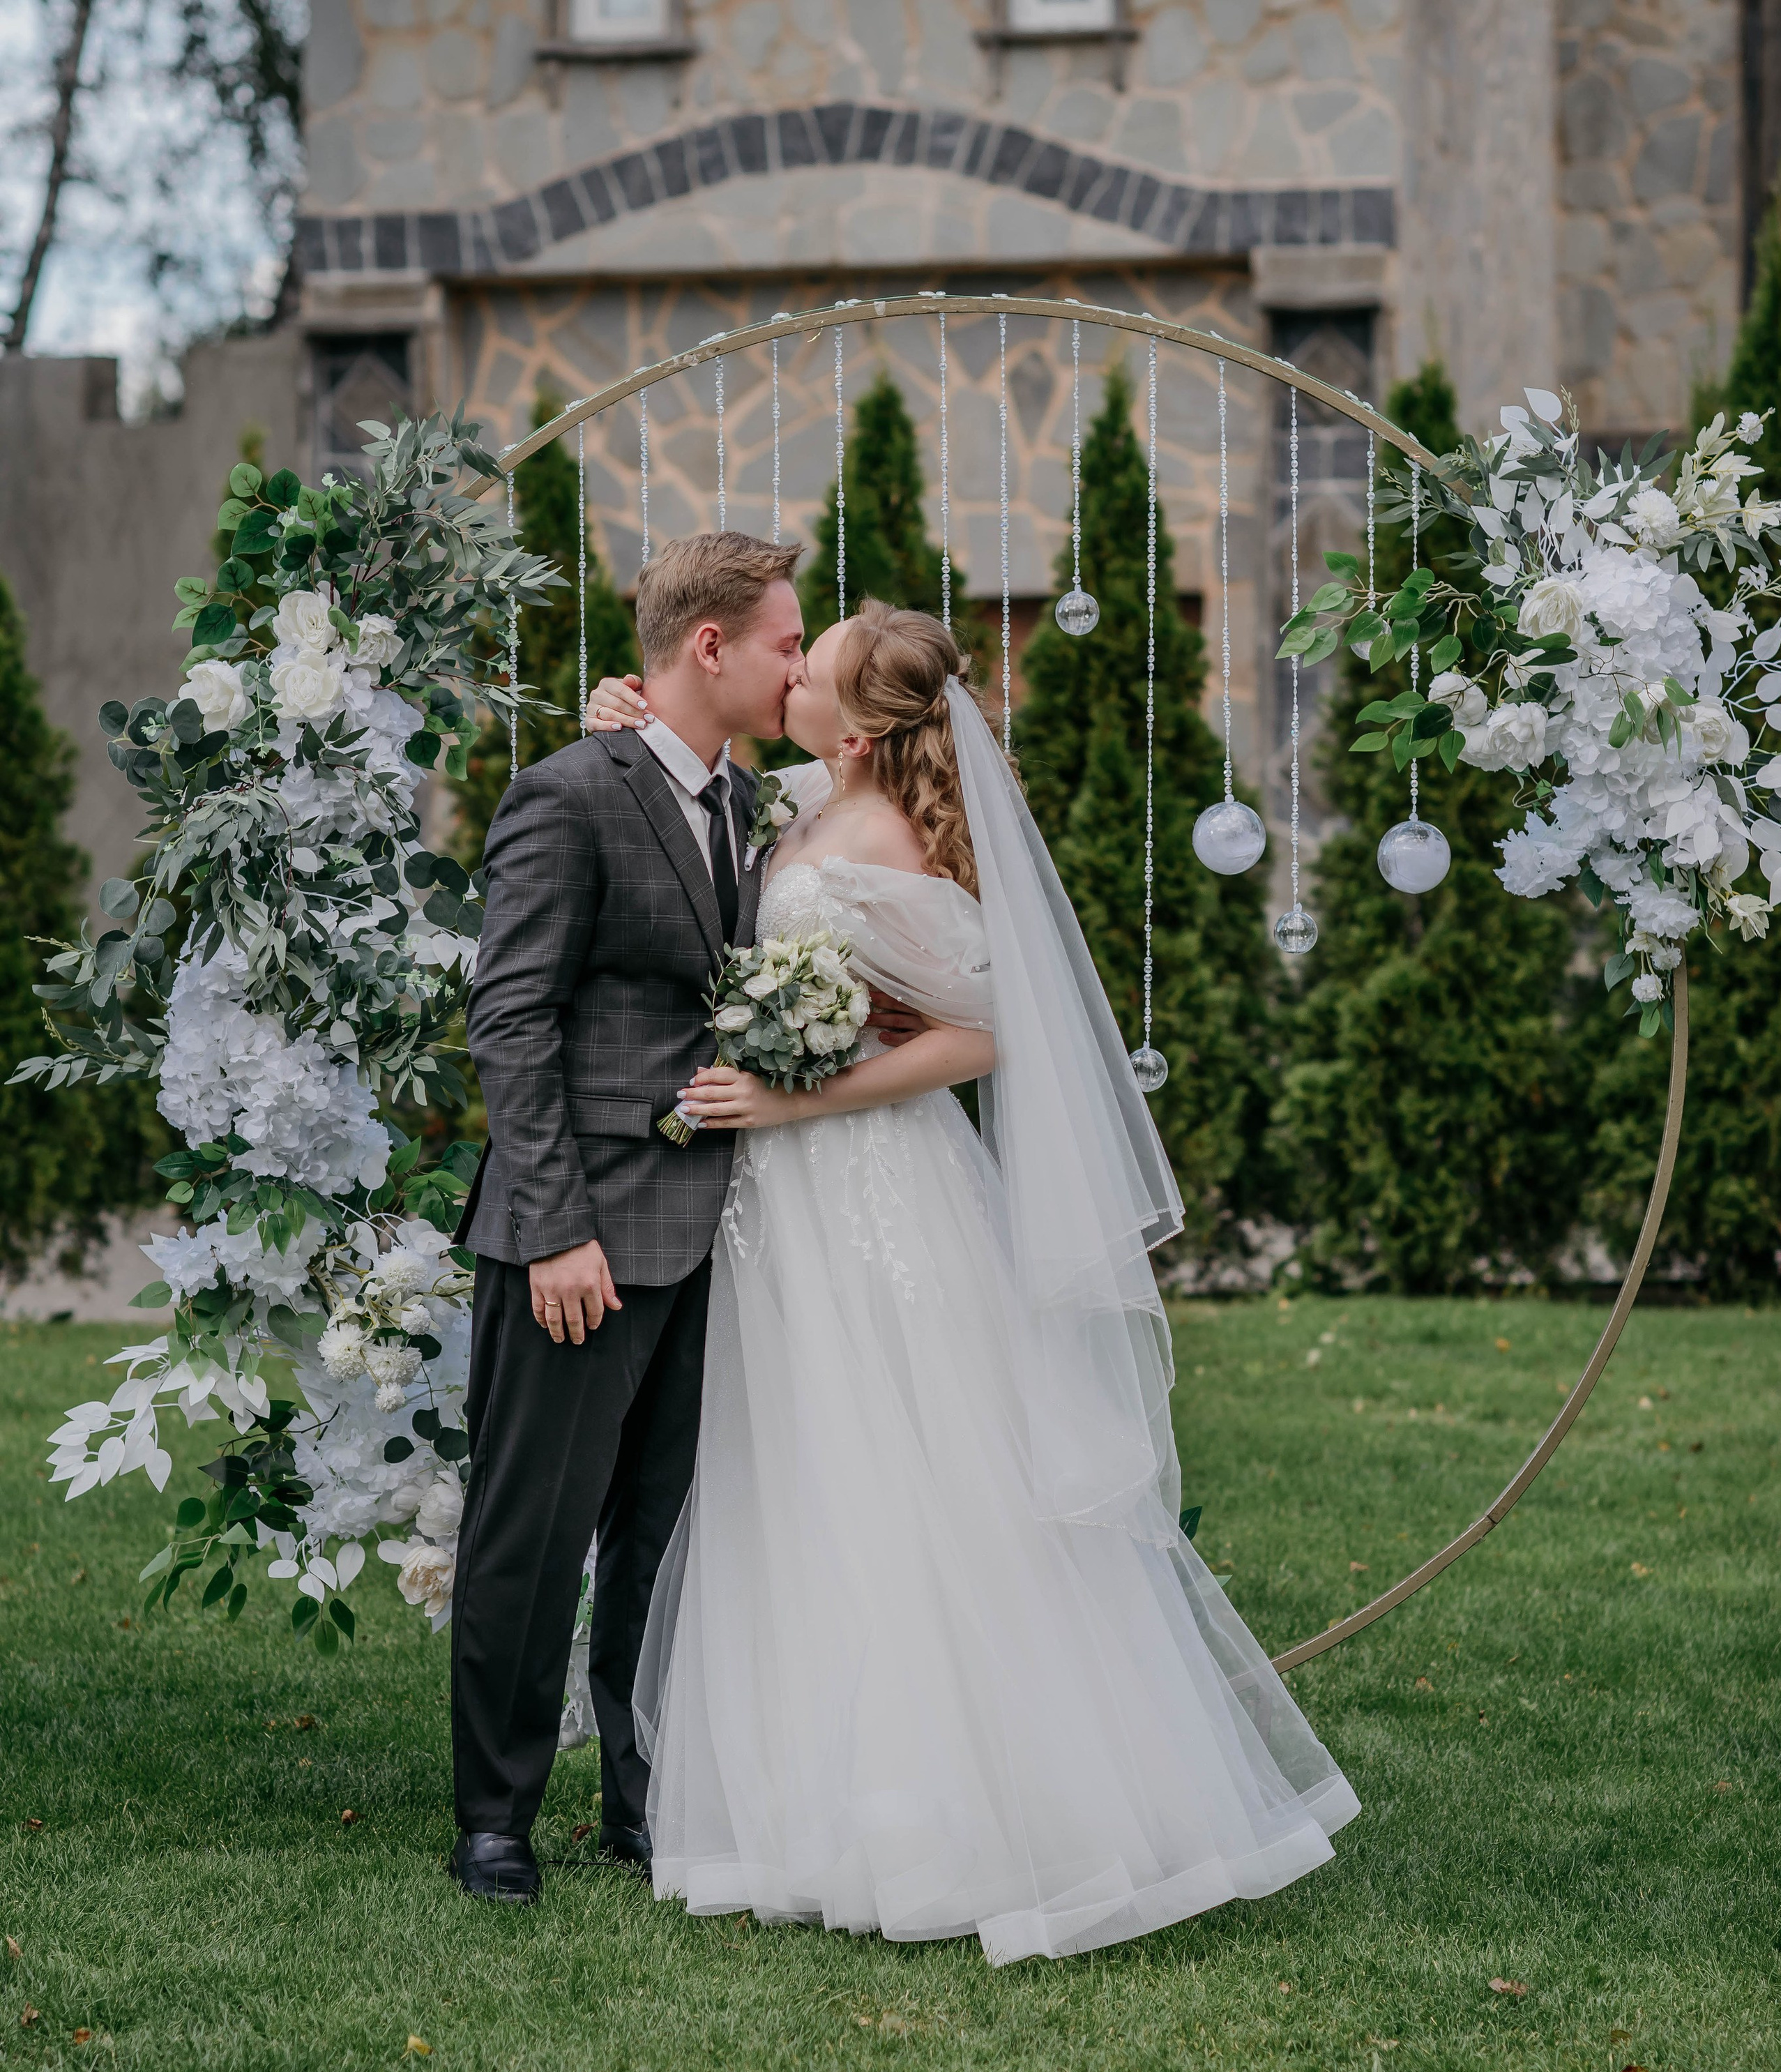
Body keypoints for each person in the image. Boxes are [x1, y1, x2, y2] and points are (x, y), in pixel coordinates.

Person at [586, 602, 1358, 1965]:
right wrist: (637, 724)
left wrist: (791, 1102)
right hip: (787, 1207)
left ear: (863, 719)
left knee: (911, 1466)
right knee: (797, 1466)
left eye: (808, 668)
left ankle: (965, 1813)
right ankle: (808, 1800)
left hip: (873, 1185)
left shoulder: (883, 838)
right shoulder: (816, 799)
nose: (788, 675)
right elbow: (710, 810)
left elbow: (981, 1031)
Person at [448, 531, 812, 1903]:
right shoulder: (567, 794)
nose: (797, 662)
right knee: (533, 1532)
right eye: (783, 641)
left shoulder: (755, 803)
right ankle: (494, 1813)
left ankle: (643, 1798)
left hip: (719, 1233)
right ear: (706, 646)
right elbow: (511, 1014)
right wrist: (550, 1228)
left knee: (665, 1537)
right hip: (581, 1236)